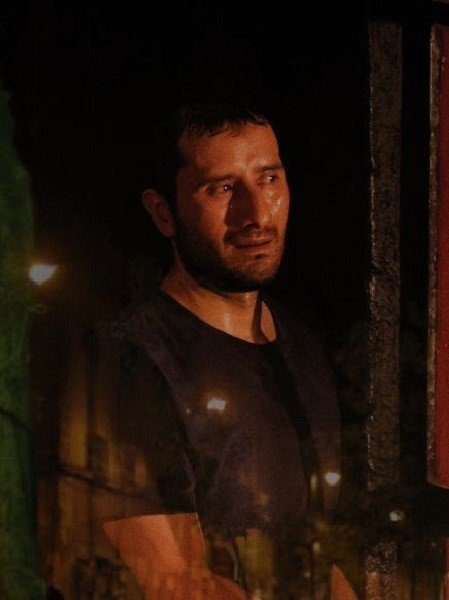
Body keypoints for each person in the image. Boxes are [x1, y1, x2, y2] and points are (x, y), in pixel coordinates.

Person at [95, 101, 357, 599]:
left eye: (269, 179)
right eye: (221, 188)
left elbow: (318, 565)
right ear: (163, 213)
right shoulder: (134, 361)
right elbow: (176, 584)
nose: (256, 214)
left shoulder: (302, 349)